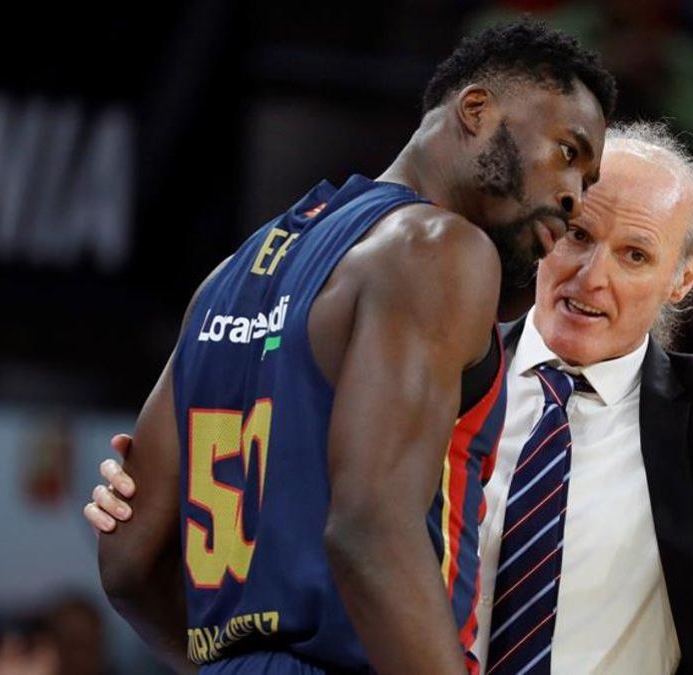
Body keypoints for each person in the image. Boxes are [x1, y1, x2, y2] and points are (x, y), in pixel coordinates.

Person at [88, 122, 693, 674]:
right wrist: (150, 496)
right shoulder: (423, 370)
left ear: (687, 274)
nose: (590, 275)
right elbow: (261, 519)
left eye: (635, 255)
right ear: (545, 225)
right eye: (578, 233)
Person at [87, 20, 616, 675]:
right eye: (569, 152)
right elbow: (369, 528)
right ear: (476, 111)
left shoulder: (228, 278)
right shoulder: (441, 248)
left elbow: (127, 559)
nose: (574, 198)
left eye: (590, 181)